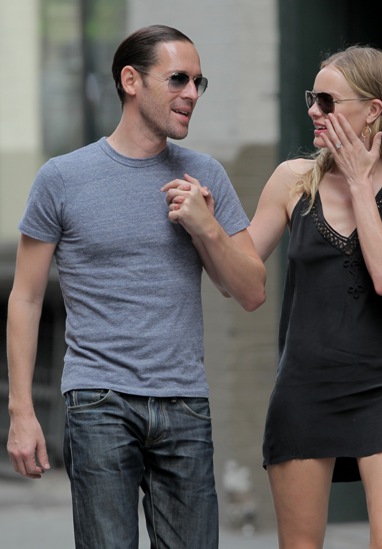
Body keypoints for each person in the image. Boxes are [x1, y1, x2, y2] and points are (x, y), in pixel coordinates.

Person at [6, 24, 265, 548]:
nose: (192, 94)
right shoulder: (62, 178)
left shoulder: (205, 176)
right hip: (98, 400)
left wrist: (206, 228)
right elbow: (26, 298)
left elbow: (250, 290)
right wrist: (21, 412)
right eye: (178, 79)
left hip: (184, 401)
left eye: (198, 82)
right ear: (131, 80)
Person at [248, 45, 382, 548]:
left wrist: (358, 181)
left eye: (328, 101)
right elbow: (239, 268)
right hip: (303, 389)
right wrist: (204, 223)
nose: (314, 110)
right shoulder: (293, 180)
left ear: (373, 109)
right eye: (312, 98)